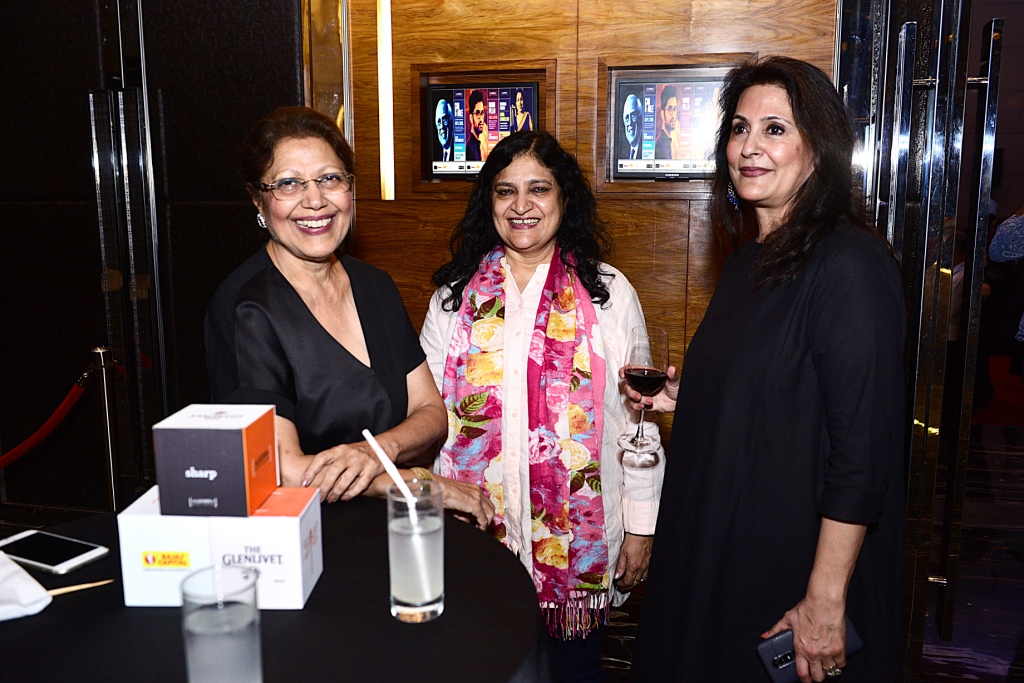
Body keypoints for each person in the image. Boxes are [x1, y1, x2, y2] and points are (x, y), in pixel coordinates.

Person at [630, 57, 905, 682]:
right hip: (721, 549)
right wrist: (693, 395)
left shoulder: (849, 265)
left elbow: (862, 453)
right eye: (739, 128)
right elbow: (780, 389)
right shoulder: (749, 261)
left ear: (819, 149)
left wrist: (824, 601)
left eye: (775, 129)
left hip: (788, 571)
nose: (749, 147)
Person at [420, 131, 665, 682]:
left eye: (539, 188)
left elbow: (639, 420)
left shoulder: (609, 294)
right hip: (477, 540)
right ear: (489, 201)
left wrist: (641, 528)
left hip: (580, 547)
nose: (521, 205)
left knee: (574, 673)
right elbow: (427, 421)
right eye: (505, 190)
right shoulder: (453, 299)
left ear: (564, 198)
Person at [205, 106, 493, 528]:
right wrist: (409, 481)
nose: (315, 200)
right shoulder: (245, 308)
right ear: (258, 199)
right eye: (288, 183)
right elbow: (287, 472)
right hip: (308, 537)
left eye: (330, 178)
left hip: (396, 526)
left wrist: (376, 452)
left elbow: (431, 412)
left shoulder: (375, 285)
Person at [654, 85, 677, 160]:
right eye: (670, 109)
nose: (673, 115)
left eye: (675, 109)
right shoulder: (660, 146)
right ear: (662, 114)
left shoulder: (668, 142)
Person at [467, 90, 489, 162]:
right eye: (477, 113)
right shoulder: (469, 149)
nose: (481, 119)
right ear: (471, 118)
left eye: (482, 113)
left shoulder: (479, 144)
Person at [622, 93, 643, 160]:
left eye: (633, 115)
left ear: (640, 117)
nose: (630, 123)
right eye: (627, 118)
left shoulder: (647, 149)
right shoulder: (622, 153)